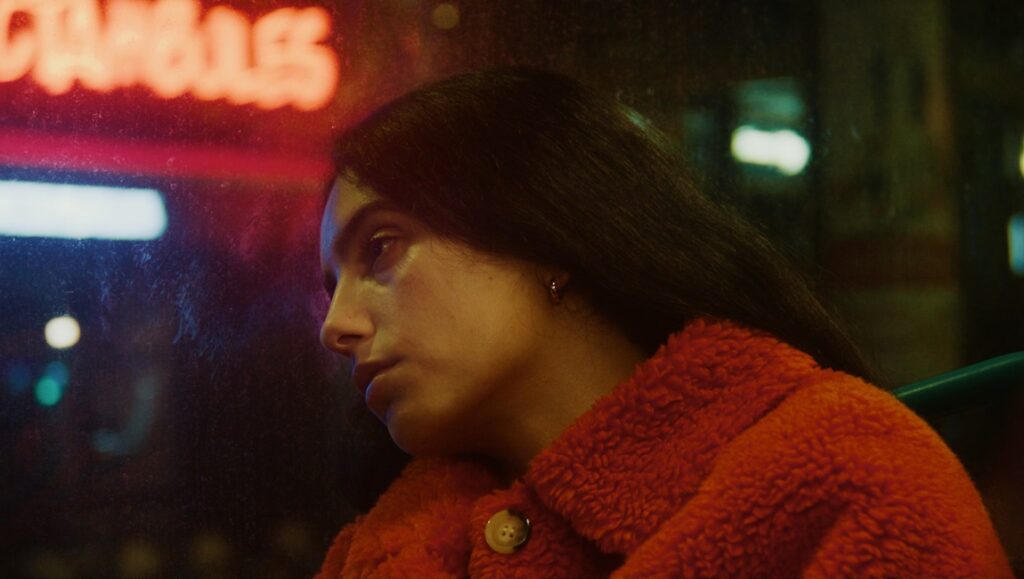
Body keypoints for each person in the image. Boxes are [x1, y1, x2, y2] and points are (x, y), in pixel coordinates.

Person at [315, 67, 1010, 577]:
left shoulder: (840, 476)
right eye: (329, 285)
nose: (336, 326)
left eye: (381, 249)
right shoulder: (384, 551)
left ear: (546, 233)